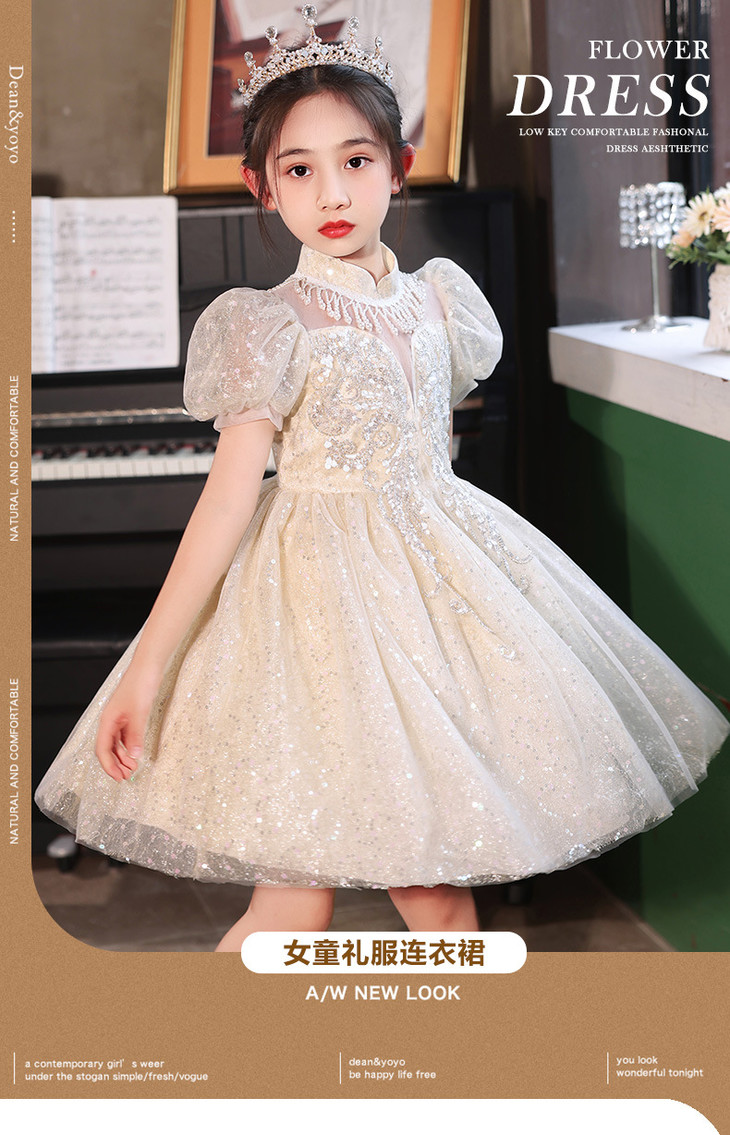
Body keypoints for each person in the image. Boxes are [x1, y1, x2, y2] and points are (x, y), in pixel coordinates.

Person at [35, 10, 729, 952]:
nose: (332, 191)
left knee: (434, 889)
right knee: (296, 904)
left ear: (398, 168)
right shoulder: (268, 322)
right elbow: (228, 499)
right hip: (313, 615)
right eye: (299, 169)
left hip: (433, 590)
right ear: (261, 186)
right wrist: (148, 668)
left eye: (356, 161)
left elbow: (425, 446)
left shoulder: (441, 297)